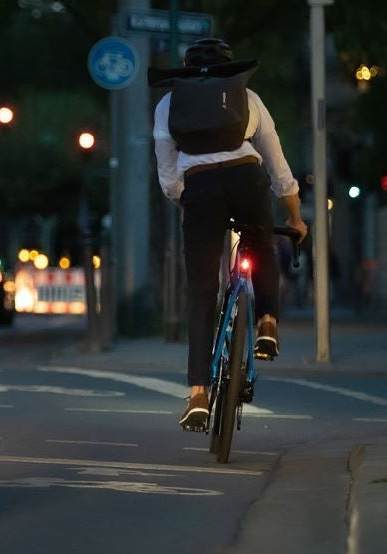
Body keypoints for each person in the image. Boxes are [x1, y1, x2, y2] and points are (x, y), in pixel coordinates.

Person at [152, 38, 308, 430]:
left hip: (200, 189)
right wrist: (296, 217)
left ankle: (199, 395)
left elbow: (169, 176)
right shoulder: (249, 98)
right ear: (229, 69)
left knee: (203, 291)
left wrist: (186, 203)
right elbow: (278, 166)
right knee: (261, 245)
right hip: (247, 181)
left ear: (188, 70)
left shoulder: (168, 105)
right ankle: (268, 324)